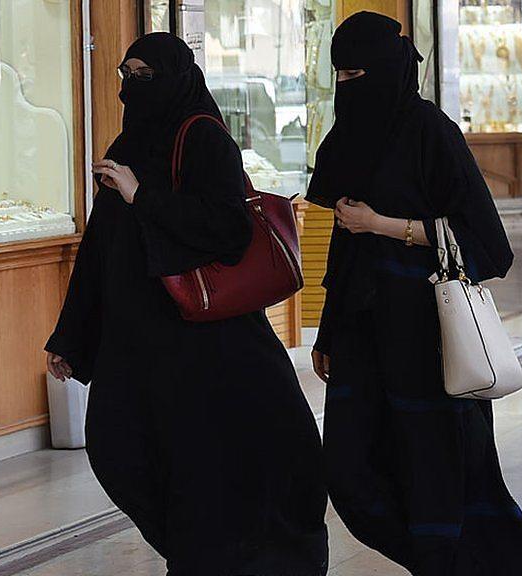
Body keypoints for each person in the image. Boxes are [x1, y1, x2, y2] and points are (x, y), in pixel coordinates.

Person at [45, 33, 329, 576]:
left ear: (177, 76)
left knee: (208, 466)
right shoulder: (129, 146)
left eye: (145, 75)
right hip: (140, 343)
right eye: (126, 74)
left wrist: (141, 196)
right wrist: (71, 336)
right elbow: (101, 249)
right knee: (119, 450)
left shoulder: (205, 141)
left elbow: (225, 231)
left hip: (204, 343)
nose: (132, 87)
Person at [307, 12, 522, 576]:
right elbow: (343, 249)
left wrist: (386, 225)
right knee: (349, 473)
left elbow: (490, 246)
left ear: (389, 70)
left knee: (440, 479)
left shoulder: (430, 131)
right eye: (340, 74)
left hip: (429, 341)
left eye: (358, 73)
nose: (349, 86)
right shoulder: (347, 137)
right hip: (364, 339)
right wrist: (329, 328)